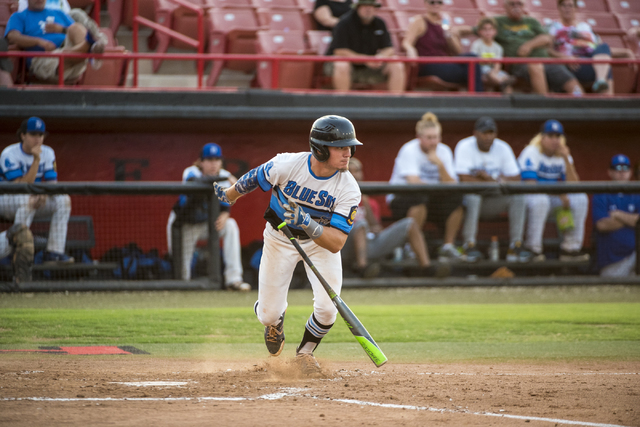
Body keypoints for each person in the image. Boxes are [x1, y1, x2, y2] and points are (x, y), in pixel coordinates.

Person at [213, 115, 362, 374]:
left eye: (350, 147)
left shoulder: (348, 188)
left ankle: (305, 353)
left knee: (328, 310)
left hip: (319, 245)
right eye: (341, 147)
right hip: (280, 238)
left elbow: (336, 243)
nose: (348, 153)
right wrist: (230, 195)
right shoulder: (288, 164)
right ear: (320, 148)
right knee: (267, 315)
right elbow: (255, 177)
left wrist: (307, 222)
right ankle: (275, 324)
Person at [166, 143, 251, 291]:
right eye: (209, 159)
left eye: (217, 159)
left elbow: (227, 202)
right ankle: (183, 288)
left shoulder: (222, 176)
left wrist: (225, 214)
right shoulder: (191, 172)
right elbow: (197, 183)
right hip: (183, 225)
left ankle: (234, 280)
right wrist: (226, 175)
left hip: (205, 224)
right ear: (201, 162)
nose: (213, 163)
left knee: (230, 225)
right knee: (181, 273)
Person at [342, 157, 444, 278]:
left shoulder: (370, 201)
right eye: (350, 171)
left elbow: (376, 227)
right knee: (360, 224)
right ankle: (362, 268)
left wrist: (365, 202)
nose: (355, 174)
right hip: (344, 246)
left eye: (357, 170)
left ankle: (426, 268)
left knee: (409, 223)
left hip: (369, 245)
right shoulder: (337, 196)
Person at [387, 112, 466, 262]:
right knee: (420, 198)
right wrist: (438, 187)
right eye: (429, 138)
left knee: (458, 199)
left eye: (436, 137)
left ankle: (447, 247)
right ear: (419, 137)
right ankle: (410, 248)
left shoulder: (444, 151)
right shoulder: (409, 150)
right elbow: (414, 182)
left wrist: (440, 165)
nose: (433, 142)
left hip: (432, 198)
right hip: (401, 199)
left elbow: (453, 185)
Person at [460, 0, 583, 95]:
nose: (516, 7)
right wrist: (456, 31)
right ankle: (546, 105)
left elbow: (547, 38)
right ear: (505, 7)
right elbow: (478, 29)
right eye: (512, 4)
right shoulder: (498, 21)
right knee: (536, 66)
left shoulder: (532, 21)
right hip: (520, 64)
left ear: (524, 6)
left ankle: (582, 103)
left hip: (546, 61)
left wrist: (529, 45)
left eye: (519, 3)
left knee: (571, 83)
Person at [454, 117, 530, 262]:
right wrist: (497, 181)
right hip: (468, 204)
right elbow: (464, 179)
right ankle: (469, 245)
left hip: (493, 200)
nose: (488, 137)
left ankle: (515, 246)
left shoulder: (502, 147)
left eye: (491, 133)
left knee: (518, 197)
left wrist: (488, 179)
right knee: (472, 197)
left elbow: (515, 179)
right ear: (475, 133)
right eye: (484, 133)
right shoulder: (464, 145)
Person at [0, 117, 74, 266]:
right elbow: (19, 186)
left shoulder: (48, 152)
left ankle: (54, 253)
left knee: (63, 200)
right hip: (6, 200)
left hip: (32, 199)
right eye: (33, 134)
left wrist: (44, 193)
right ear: (23, 135)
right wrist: (36, 160)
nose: (38, 139)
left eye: (41, 135)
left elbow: (53, 185)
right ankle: (15, 251)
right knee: (28, 200)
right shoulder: (9, 153)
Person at [517, 119, 589, 261]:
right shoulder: (532, 152)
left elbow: (575, 185)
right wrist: (559, 192)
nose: (555, 140)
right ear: (542, 138)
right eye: (550, 136)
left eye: (558, 137)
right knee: (541, 200)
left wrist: (566, 160)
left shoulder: (562, 155)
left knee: (580, 198)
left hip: (552, 198)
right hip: (528, 199)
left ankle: (571, 249)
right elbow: (530, 184)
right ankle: (533, 249)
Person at [4, 0, 106, 83]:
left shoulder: (58, 13)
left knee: (76, 27)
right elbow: (12, 37)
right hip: (43, 58)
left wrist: (61, 29)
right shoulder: (19, 16)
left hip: (69, 53)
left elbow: (77, 32)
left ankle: (88, 47)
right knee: (64, 56)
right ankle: (89, 48)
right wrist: (39, 42)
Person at [324, 0, 406, 93]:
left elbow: (389, 48)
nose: (368, 9)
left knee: (396, 63)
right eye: (364, 6)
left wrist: (380, 57)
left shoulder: (380, 23)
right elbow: (340, 51)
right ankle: (343, 100)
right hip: (348, 64)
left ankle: (396, 101)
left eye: (371, 6)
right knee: (342, 64)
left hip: (371, 64)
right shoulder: (344, 23)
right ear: (357, 8)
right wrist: (365, 59)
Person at [401, 0, 483, 92]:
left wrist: (450, 35)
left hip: (445, 61)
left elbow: (458, 52)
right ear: (425, 4)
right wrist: (411, 50)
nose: (436, 5)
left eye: (439, 2)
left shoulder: (444, 23)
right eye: (432, 2)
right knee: (472, 72)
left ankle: (476, 96)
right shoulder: (420, 21)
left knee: (472, 57)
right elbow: (406, 42)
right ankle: (478, 98)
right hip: (428, 64)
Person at [546, 0, 625, 94]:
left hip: (592, 60)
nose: (567, 9)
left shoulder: (585, 26)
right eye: (564, 5)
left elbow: (599, 48)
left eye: (570, 6)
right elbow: (547, 50)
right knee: (606, 69)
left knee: (604, 47)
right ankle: (605, 94)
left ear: (576, 9)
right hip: (573, 63)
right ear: (559, 8)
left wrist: (625, 53)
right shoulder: (553, 27)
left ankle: (601, 81)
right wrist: (565, 57)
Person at [592, 154, 640, 277]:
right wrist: (631, 219)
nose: (622, 173)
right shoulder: (601, 193)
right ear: (610, 172)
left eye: (626, 169)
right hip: (612, 260)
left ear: (630, 172)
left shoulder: (637, 192)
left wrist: (618, 214)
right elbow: (602, 225)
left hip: (636, 254)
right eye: (618, 169)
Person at [470, 17, 516, 93]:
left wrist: (495, 71)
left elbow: (497, 64)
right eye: (485, 29)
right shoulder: (476, 44)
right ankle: (501, 82)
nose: (488, 32)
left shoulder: (498, 47)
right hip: (480, 70)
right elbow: (474, 60)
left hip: (493, 71)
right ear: (480, 31)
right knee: (488, 71)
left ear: (495, 31)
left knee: (506, 78)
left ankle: (510, 101)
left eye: (490, 29)